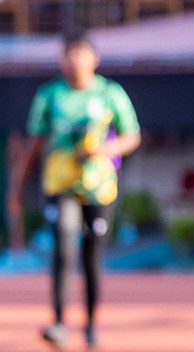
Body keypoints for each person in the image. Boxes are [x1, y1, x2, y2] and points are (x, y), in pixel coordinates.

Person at [6, 34, 140, 349]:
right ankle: (58, 322)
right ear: (61, 60)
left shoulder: (109, 93)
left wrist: (106, 149)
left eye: (80, 54)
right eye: (68, 55)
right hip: (60, 183)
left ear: (94, 58)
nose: (74, 61)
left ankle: (92, 324)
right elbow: (34, 143)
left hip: (99, 187)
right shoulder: (50, 95)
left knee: (92, 256)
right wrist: (18, 188)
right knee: (64, 247)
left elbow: (131, 135)